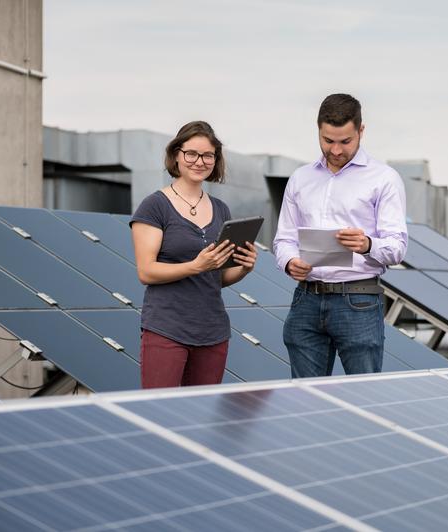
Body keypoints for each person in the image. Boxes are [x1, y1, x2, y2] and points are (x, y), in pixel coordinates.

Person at [273, 94, 407, 377]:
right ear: (318, 130)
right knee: (305, 400)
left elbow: (397, 248)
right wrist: (289, 262)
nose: (335, 150)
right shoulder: (300, 178)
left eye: (345, 141)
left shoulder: (384, 178)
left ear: (361, 131)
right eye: (327, 140)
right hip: (306, 300)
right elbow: (284, 239)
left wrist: (367, 244)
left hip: (358, 301)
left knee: (362, 398)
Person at [130, 121, 257, 388]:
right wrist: (196, 266)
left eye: (208, 155)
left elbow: (217, 277)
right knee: (161, 413)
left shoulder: (221, 209)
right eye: (192, 154)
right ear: (176, 155)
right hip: (167, 329)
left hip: (213, 332)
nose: (200, 161)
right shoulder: (155, 206)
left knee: (202, 418)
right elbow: (146, 272)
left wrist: (244, 268)